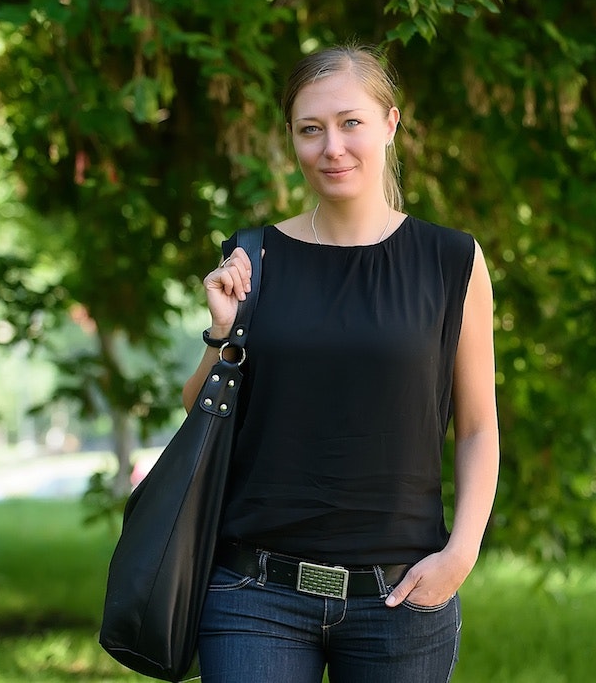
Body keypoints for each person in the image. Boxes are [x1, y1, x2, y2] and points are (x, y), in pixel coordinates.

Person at [180, 44, 499, 683]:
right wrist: (221, 333)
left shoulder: (452, 261)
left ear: (389, 124)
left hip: (402, 598)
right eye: (311, 129)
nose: (332, 147)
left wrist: (460, 554)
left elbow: (477, 427)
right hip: (255, 594)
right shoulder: (254, 257)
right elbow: (201, 411)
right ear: (292, 139)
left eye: (350, 122)